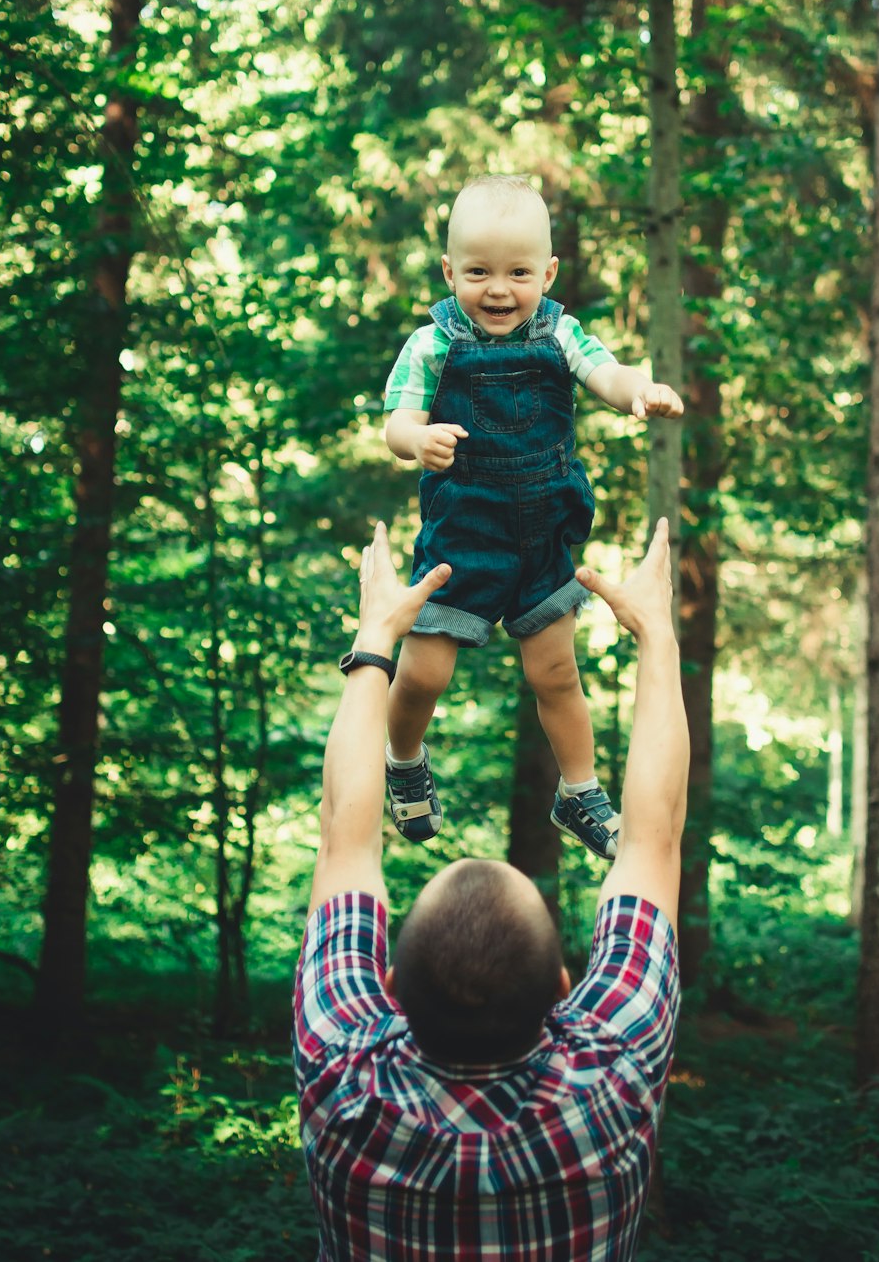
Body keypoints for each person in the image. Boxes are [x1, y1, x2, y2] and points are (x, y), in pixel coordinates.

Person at [294, 517, 689, 1262]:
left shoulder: (343, 1083)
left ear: (389, 988)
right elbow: (655, 837)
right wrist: (657, 638)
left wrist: (377, 639)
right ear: (564, 990)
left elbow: (345, 842)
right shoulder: (612, 1080)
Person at [382, 174, 683, 859]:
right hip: (464, 537)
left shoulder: (562, 333)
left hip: (544, 535)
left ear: (546, 272)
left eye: (518, 273)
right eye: (479, 272)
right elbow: (397, 421)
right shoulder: (432, 345)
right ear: (449, 271)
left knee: (557, 675)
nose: (498, 289)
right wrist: (416, 440)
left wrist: (639, 391)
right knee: (424, 673)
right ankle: (403, 760)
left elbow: (608, 375)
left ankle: (578, 792)